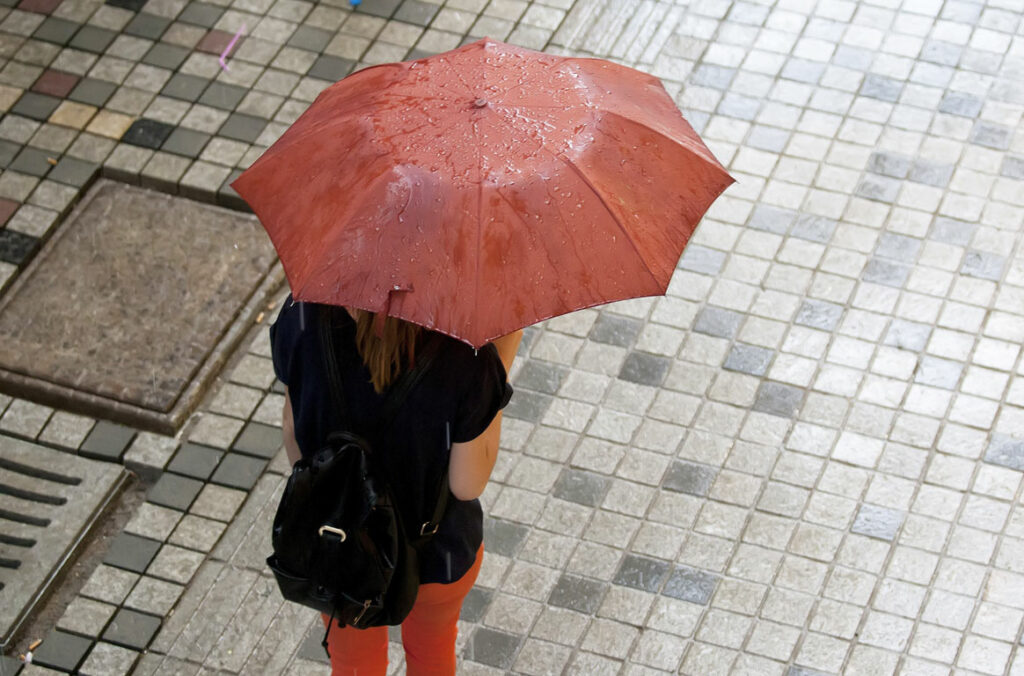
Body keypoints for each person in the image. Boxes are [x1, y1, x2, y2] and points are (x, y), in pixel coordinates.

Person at [270, 296, 521, 675]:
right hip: (435, 553)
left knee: (354, 663)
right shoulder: (466, 354)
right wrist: (502, 352)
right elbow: (467, 483)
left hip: (338, 544)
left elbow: (294, 436)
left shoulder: (304, 313)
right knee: (432, 654)